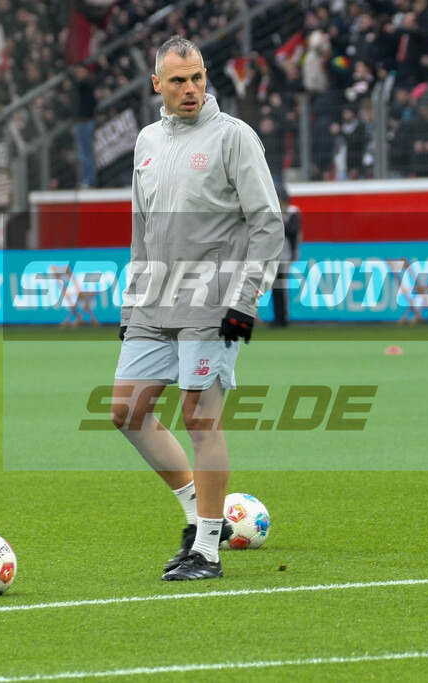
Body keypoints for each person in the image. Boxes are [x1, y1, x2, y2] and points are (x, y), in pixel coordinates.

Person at [111, 36, 283, 581]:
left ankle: (206, 551)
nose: (190, 89)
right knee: (126, 411)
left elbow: (267, 222)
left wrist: (245, 299)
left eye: (198, 78)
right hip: (153, 302)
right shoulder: (146, 141)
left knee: (199, 418)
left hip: (212, 300)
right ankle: (199, 516)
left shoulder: (234, 137)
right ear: (156, 84)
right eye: (178, 80)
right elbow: (141, 230)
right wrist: (131, 302)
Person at [271, 185, 301, 327]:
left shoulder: (292, 212)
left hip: (286, 254)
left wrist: (281, 219)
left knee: (281, 287)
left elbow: (293, 231)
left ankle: (283, 317)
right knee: (275, 288)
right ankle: (278, 317)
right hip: (273, 255)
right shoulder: (272, 211)